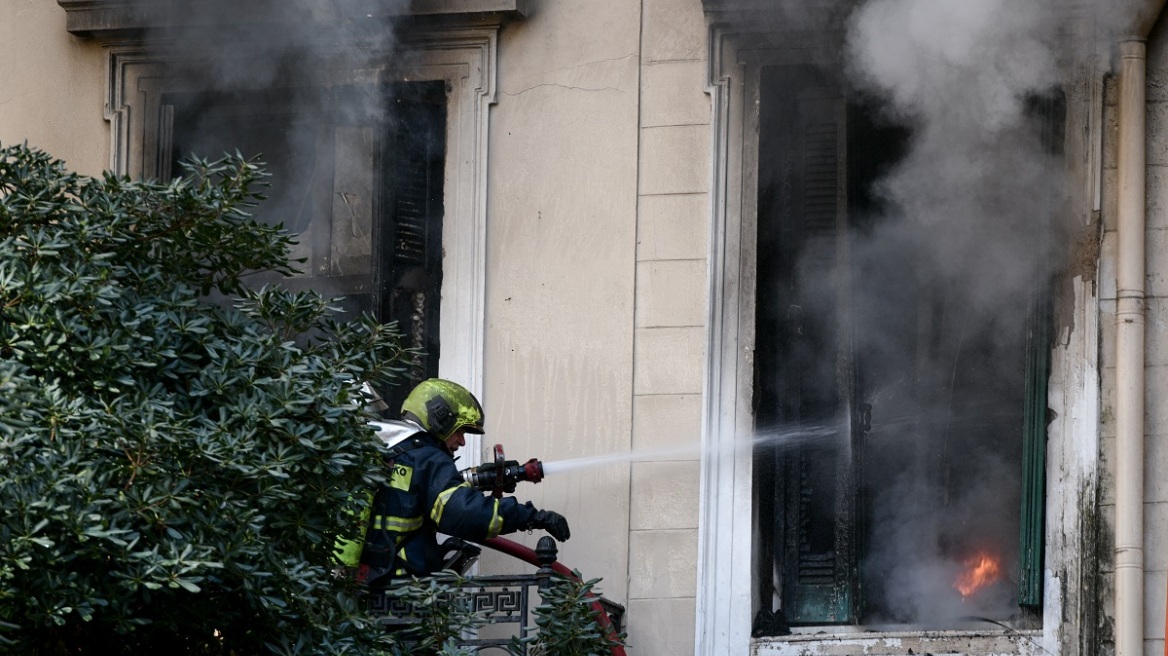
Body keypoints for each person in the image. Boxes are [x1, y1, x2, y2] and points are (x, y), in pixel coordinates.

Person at [336, 378, 571, 585]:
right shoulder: (426, 458)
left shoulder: (392, 452)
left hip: (370, 588)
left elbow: (415, 494)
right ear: (439, 418)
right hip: (402, 593)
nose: (462, 442)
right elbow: (463, 512)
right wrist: (532, 517)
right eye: (461, 431)